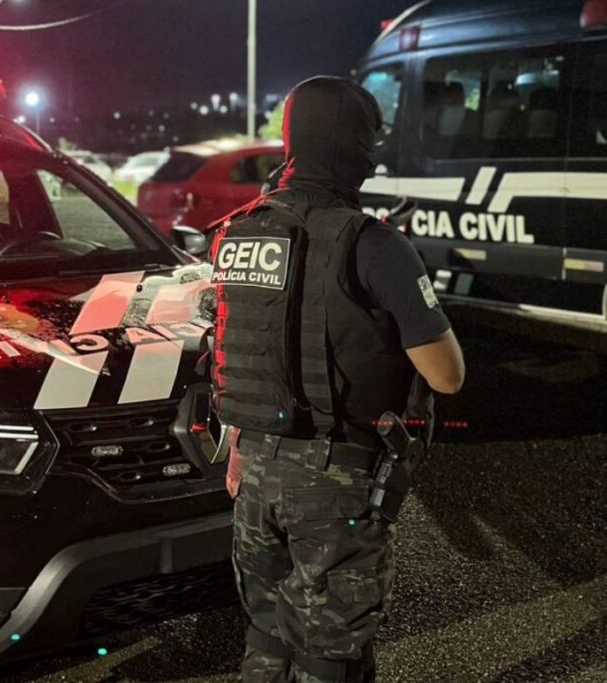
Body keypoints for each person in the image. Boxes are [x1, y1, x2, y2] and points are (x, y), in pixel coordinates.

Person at [210, 76, 465, 682]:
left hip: (250, 474)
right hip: (335, 479)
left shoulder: (236, 230)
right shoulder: (373, 244)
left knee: (268, 634)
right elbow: (447, 375)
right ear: (358, 145)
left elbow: (234, 343)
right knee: (331, 655)